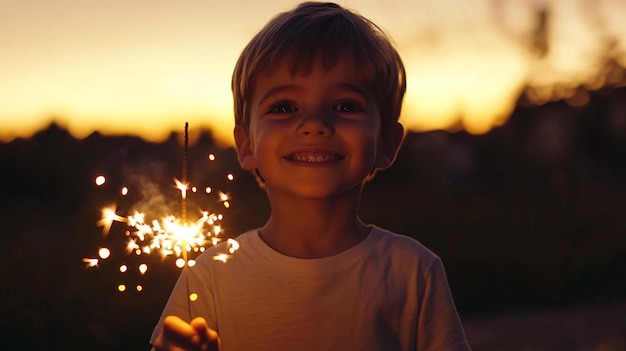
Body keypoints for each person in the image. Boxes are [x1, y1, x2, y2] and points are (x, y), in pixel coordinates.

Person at [151, 2, 471, 350]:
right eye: (284, 107)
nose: (315, 124)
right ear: (246, 146)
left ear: (387, 143)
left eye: (346, 106)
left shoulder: (414, 272)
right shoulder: (207, 277)